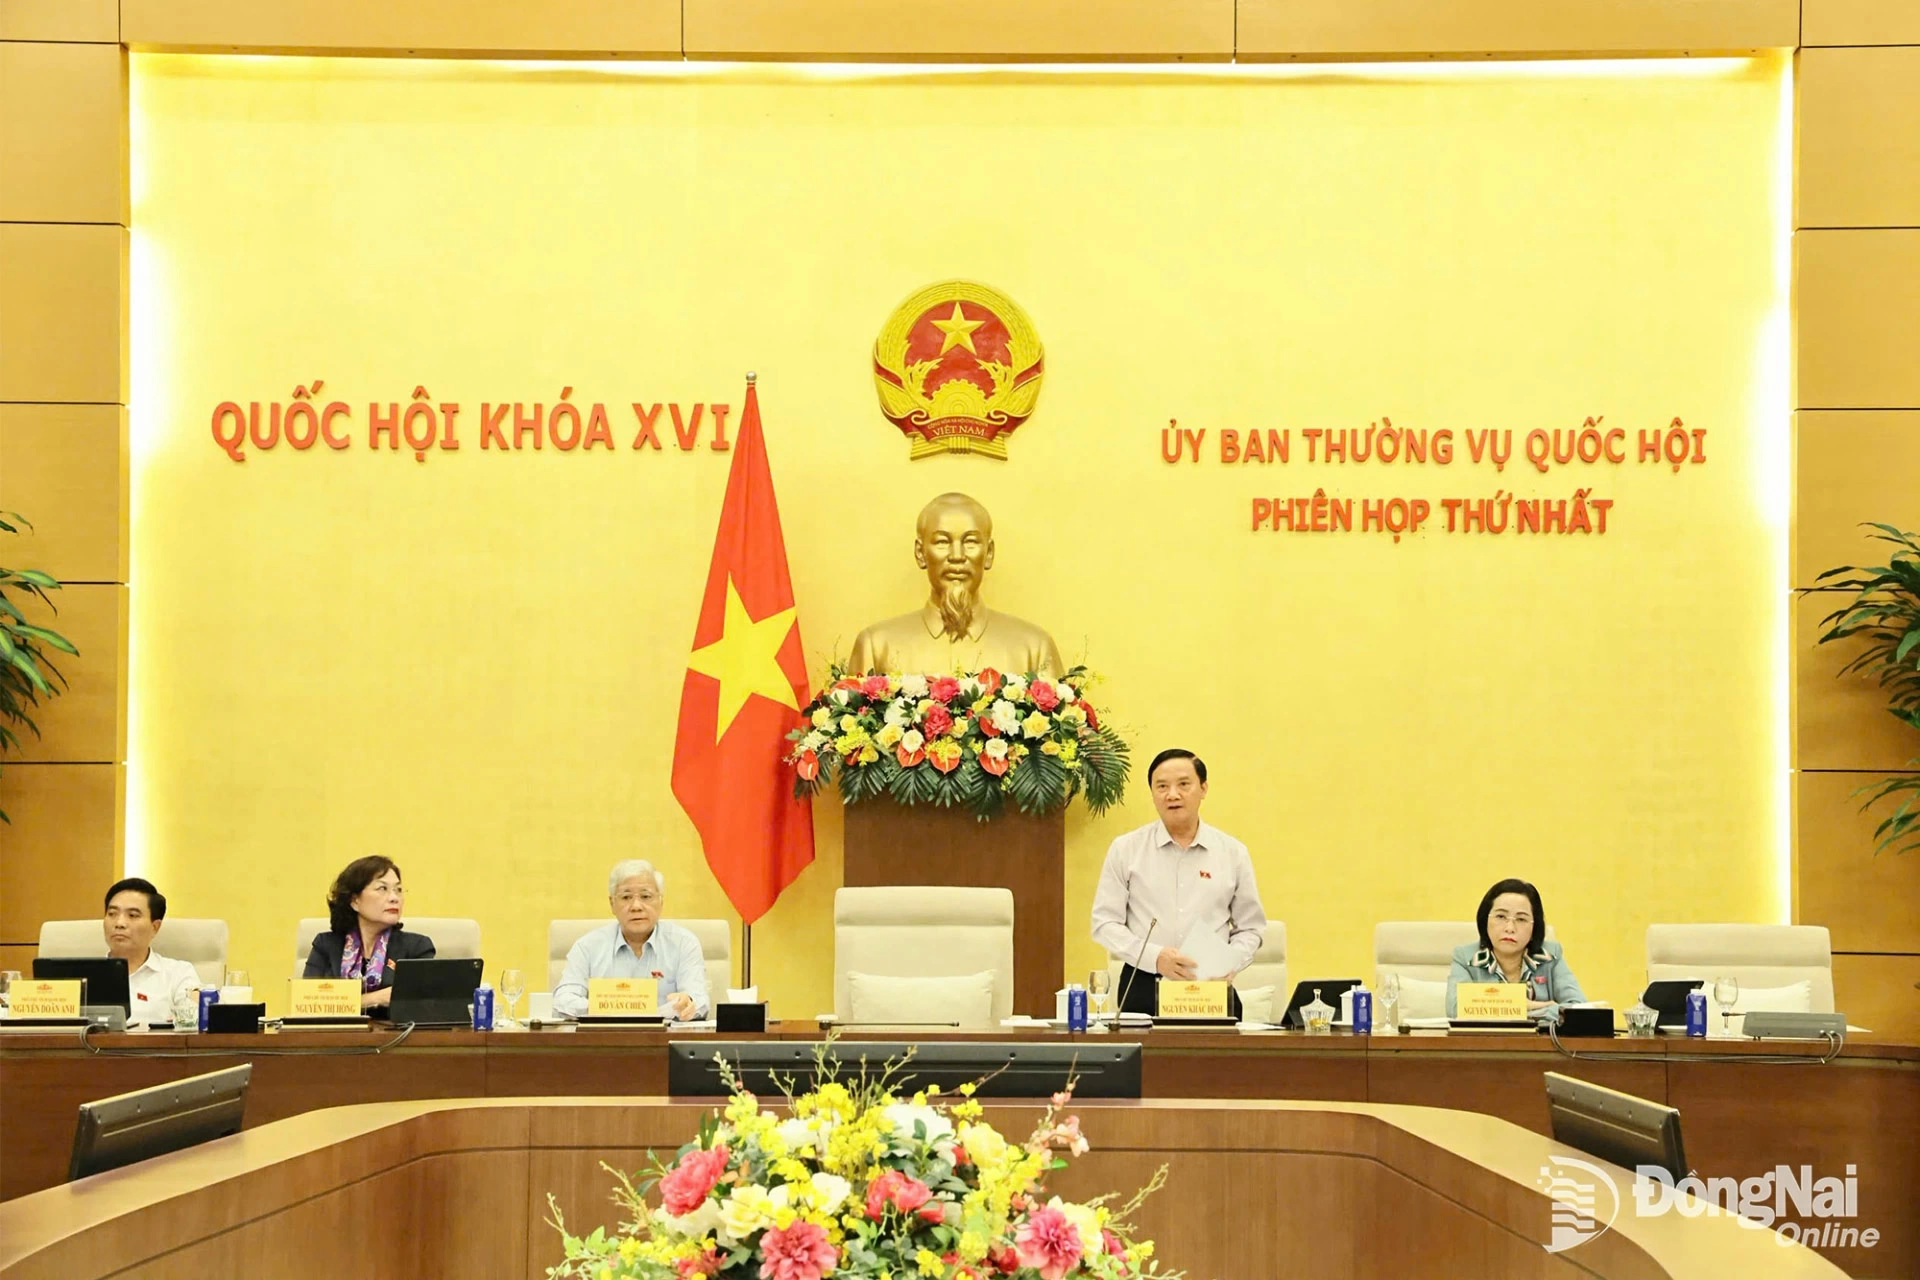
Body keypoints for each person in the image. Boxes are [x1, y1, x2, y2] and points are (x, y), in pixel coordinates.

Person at [1090, 749, 1267, 1018]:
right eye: (1162, 786)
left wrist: (1229, 962)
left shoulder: (1232, 852)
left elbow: (1251, 928)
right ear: (1152, 793)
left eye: (1184, 784)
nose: (1172, 795)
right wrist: (1155, 957)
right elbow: (1104, 923)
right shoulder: (1126, 849)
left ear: (1203, 788)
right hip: (1143, 982)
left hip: (1211, 985)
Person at [848, 492, 1065, 676]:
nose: (957, 556)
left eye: (970, 542)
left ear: (989, 553)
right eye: (942, 542)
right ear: (920, 553)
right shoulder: (876, 647)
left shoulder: (1034, 649)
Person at [553, 860, 710, 1022]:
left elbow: (699, 1000)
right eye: (626, 897)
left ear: (661, 901)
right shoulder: (587, 947)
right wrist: (605, 1008)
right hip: (605, 1036)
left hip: (663, 1036)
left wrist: (688, 1003)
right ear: (612, 903)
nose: (636, 906)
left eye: (646, 896)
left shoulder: (684, 943)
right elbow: (562, 1001)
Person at [303, 856, 435, 1012]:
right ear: (355, 901)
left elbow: (419, 1004)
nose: (394, 898)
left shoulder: (417, 948)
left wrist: (343, 1003)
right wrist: (375, 998)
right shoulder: (326, 945)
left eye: (398, 890)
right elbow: (307, 1002)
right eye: (382, 889)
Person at [1446, 878, 1587, 1022]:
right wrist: (1531, 1006)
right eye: (1501, 916)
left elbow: (1579, 1009)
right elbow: (1456, 1010)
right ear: (1485, 920)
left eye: (1521, 919)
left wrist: (1504, 1009)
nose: (1510, 928)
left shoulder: (1551, 956)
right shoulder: (1466, 957)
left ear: (1534, 926)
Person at [101, 878, 200, 1025]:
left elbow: (193, 1020)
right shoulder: (82, 976)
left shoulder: (178, 974)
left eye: (132, 915)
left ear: (155, 927)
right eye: (112, 914)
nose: (119, 923)